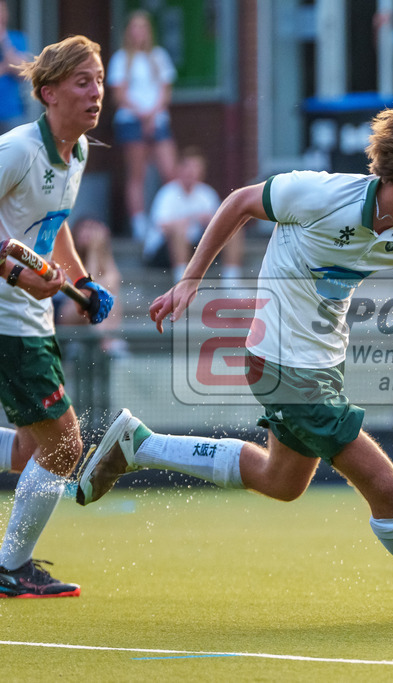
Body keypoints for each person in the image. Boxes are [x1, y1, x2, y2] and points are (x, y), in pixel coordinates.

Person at [76, 96, 393, 622]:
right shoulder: (323, 195)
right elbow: (239, 202)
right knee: (384, 484)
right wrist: (191, 278)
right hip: (281, 364)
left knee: (283, 480)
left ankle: (142, 444)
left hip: (321, 365)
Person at [0, 36, 114, 598]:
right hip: (8, 318)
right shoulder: (18, 150)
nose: (96, 92)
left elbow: (55, 224)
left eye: (98, 79)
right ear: (49, 93)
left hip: (32, 318)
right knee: (64, 446)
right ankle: (9, 567)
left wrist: (81, 281)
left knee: (30, 449)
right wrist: (16, 274)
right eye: (83, 82)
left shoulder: (80, 150)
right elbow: (12, 252)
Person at [107, 10, 177, 242]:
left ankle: (165, 220)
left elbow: (166, 92)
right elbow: (119, 95)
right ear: (128, 32)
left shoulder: (159, 56)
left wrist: (151, 114)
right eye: (134, 27)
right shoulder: (120, 59)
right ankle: (139, 225)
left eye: (142, 27)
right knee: (138, 174)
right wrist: (141, 114)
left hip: (157, 120)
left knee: (169, 170)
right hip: (131, 121)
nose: (138, 32)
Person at [145, 146, 236, 284]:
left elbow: (220, 224)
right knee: (179, 229)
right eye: (188, 167)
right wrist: (188, 220)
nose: (192, 172)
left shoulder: (207, 194)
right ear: (180, 169)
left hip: (196, 248)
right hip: (163, 251)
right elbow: (161, 225)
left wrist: (209, 221)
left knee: (233, 227)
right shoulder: (168, 193)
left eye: (196, 167)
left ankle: (231, 280)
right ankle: (181, 282)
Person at [56, 216, 127, 356]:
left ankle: (104, 342)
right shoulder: (65, 256)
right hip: (62, 313)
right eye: (85, 228)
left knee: (109, 297)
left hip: (88, 321)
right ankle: (105, 344)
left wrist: (99, 251)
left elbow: (113, 281)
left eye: (93, 229)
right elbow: (87, 289)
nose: (89, 234)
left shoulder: (105, 260)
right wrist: (93, 253)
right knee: (90, 298)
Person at [0, 0, 30, 134]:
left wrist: (3, 40)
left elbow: (24, 72)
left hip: (12, 114)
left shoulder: (17, 39)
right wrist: (6, 67)